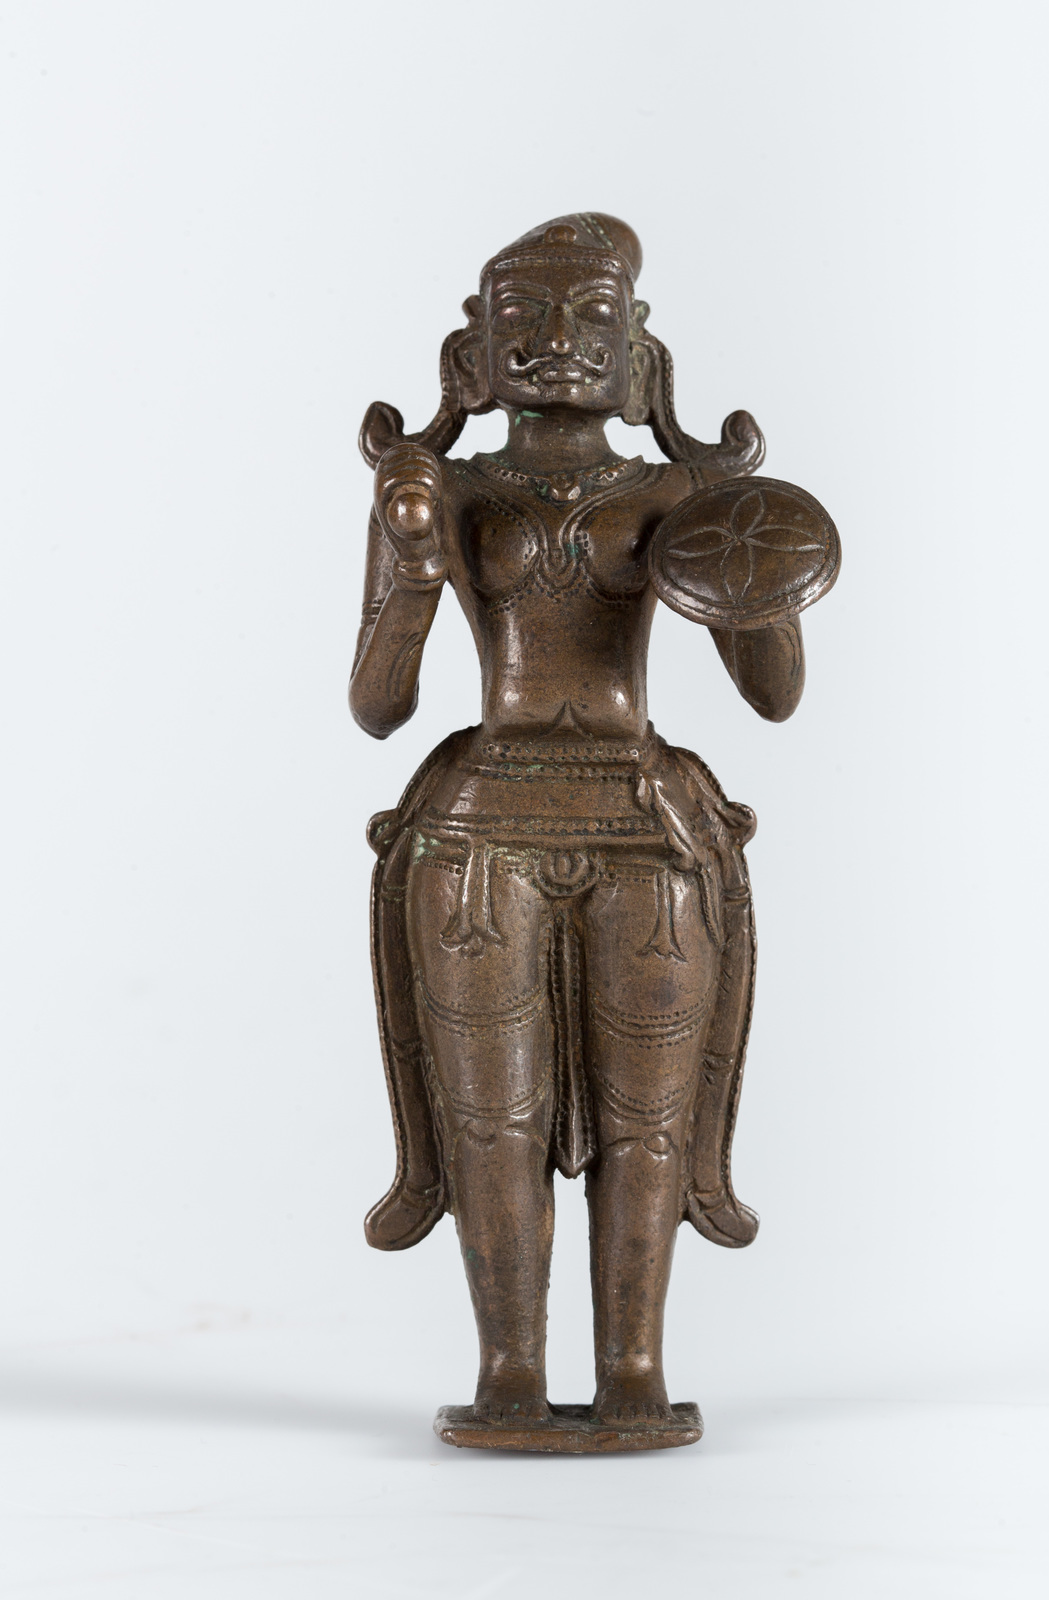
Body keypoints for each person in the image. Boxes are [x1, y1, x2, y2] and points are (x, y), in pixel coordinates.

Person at [349, 214, 808, 1429]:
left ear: (640, 361)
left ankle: (632, 1369)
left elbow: (773, 693)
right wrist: (412, 567)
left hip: (645, 826)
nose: (558, 340)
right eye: (525, 318)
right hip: (481, 826)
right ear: (472, 361)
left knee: (646, 1119)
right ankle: (507, 1370)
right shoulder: (441, 490)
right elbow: (378, 703)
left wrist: (754, 575)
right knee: (488, 1115)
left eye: (593, 317)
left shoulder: (679, 491)